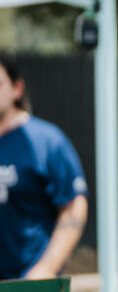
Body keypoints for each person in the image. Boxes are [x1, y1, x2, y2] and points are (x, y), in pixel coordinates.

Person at [0, 54, 89, 280]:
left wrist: (46, 268)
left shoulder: (45, 141)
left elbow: (73, 206)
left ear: (16, 89)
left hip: (28, 285)